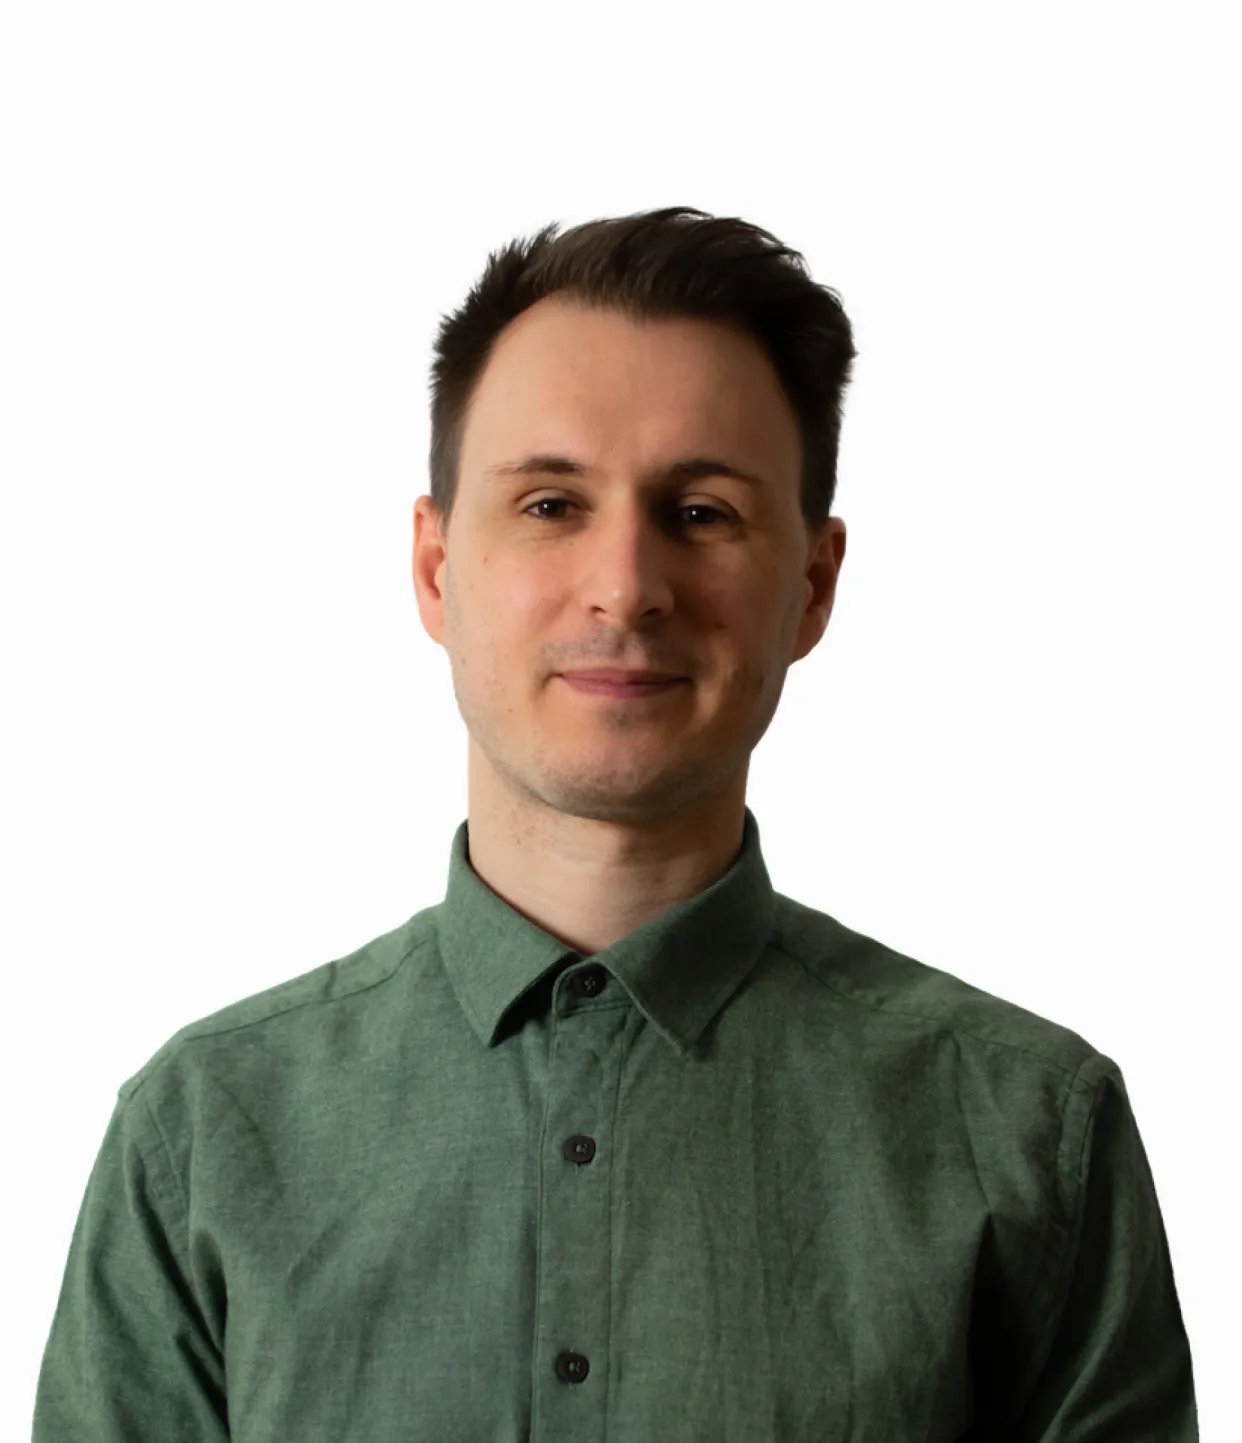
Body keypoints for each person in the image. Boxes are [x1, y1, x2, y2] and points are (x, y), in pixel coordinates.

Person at [32, 206, 1198, 1440]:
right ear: (435, 569)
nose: (627, 587)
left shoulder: (1026, 1131)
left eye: (701, 513)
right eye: (549, 504)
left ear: (812, 585)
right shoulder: (205, 1135)